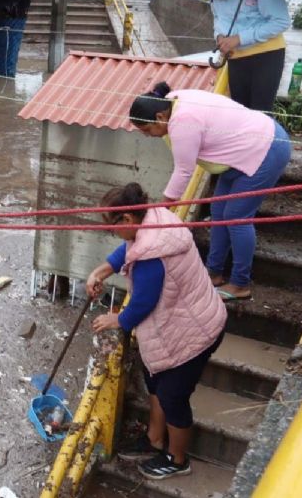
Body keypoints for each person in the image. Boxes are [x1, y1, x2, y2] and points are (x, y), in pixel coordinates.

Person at [89, 183, 226, 480]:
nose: (113, 234)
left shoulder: (152, 254)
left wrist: (119, 320)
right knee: (154, 381)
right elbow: (128, 250)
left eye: (113, 227)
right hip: (189, 318)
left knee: (172, 396)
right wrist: (101, 271)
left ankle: (177, 459)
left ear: (127, 219)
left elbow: (144, 301)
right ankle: (153, 438)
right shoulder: (152, 220)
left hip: (192, 334)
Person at [129, 82, 291, 301]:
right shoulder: (172, 100)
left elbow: (184, 171)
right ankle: (213, 272)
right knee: (218, 211)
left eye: (147, 130)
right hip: (240, 151)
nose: (148, 136)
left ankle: (240, 283)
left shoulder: (182, 122)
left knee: (236, 217)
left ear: (159, 117)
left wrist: (161, 211)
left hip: (266, 148)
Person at [194, 0, 290, 111]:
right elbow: (218, 18)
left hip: (266, 55)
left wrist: (239, 38)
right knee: (239, 113)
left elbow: (281, 21)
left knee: (260, 113)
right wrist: (219, 36)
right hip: (235, 55)